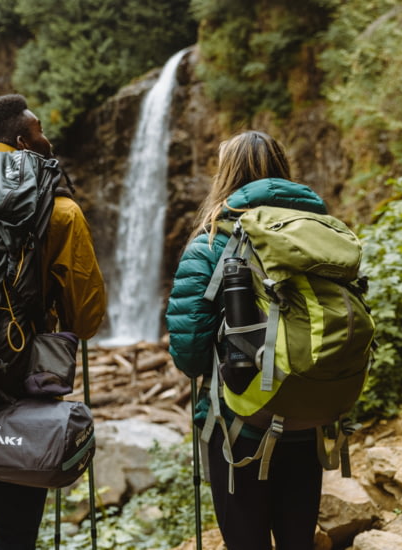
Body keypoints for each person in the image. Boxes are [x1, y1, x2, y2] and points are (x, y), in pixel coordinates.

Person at [165, 130, 328, 550]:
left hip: (239, 427)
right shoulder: (322, 236)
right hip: (310, 416)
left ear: (226, 175)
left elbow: (190, 353)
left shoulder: (210, 242)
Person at [0, 94, 107, 550]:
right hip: (19, 383)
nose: (49, 138)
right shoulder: (57, 210)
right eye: (41, 130)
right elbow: (85, 319)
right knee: (14, 530)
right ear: (24, 140)